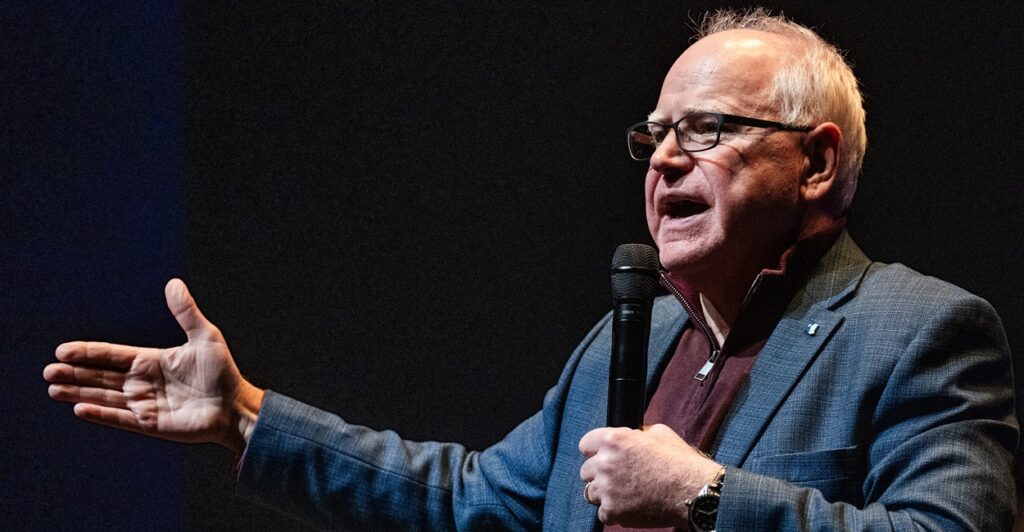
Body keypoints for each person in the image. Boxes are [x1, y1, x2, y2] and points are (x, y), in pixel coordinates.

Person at [44, 8, 1017, 531]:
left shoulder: (918, 331)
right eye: (656, 136)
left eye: (708, 130)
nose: (666, 159)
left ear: (813, 161)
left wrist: (708, 501)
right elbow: (466, 499)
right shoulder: (624, 346)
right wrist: (246, 416)